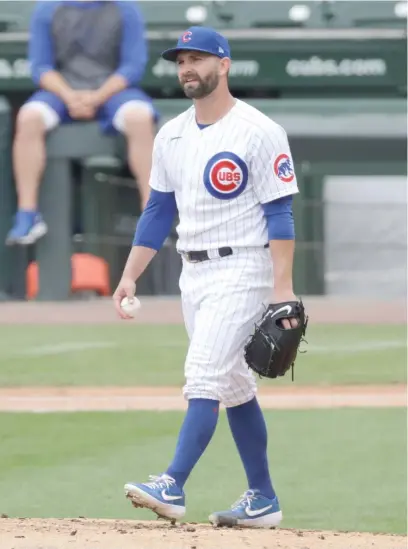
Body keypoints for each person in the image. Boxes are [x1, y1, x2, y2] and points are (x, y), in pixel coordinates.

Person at [113, 26, 300, 528]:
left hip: (244, 267)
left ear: (224, 64)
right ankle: (263, 498)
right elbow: (157, 211)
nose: (187, 68)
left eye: (198, 58)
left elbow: (280, 214)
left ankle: (171, 484)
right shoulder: (171, 134)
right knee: (236, 386)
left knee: (204, 376)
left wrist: (282, 288)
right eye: (181, 61)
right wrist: (130, 276)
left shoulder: (258, 130)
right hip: (192, 272)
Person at [6, 0, 157, 246]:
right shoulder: (48, 8)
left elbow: (133, 67)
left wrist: (96, 97)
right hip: (63, 91)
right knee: (29, 117)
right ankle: (28, 214)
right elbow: (41, 68)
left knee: (140, 118)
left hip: (112, 91)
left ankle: (151, 213)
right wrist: (70, 96)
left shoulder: (125, 8)